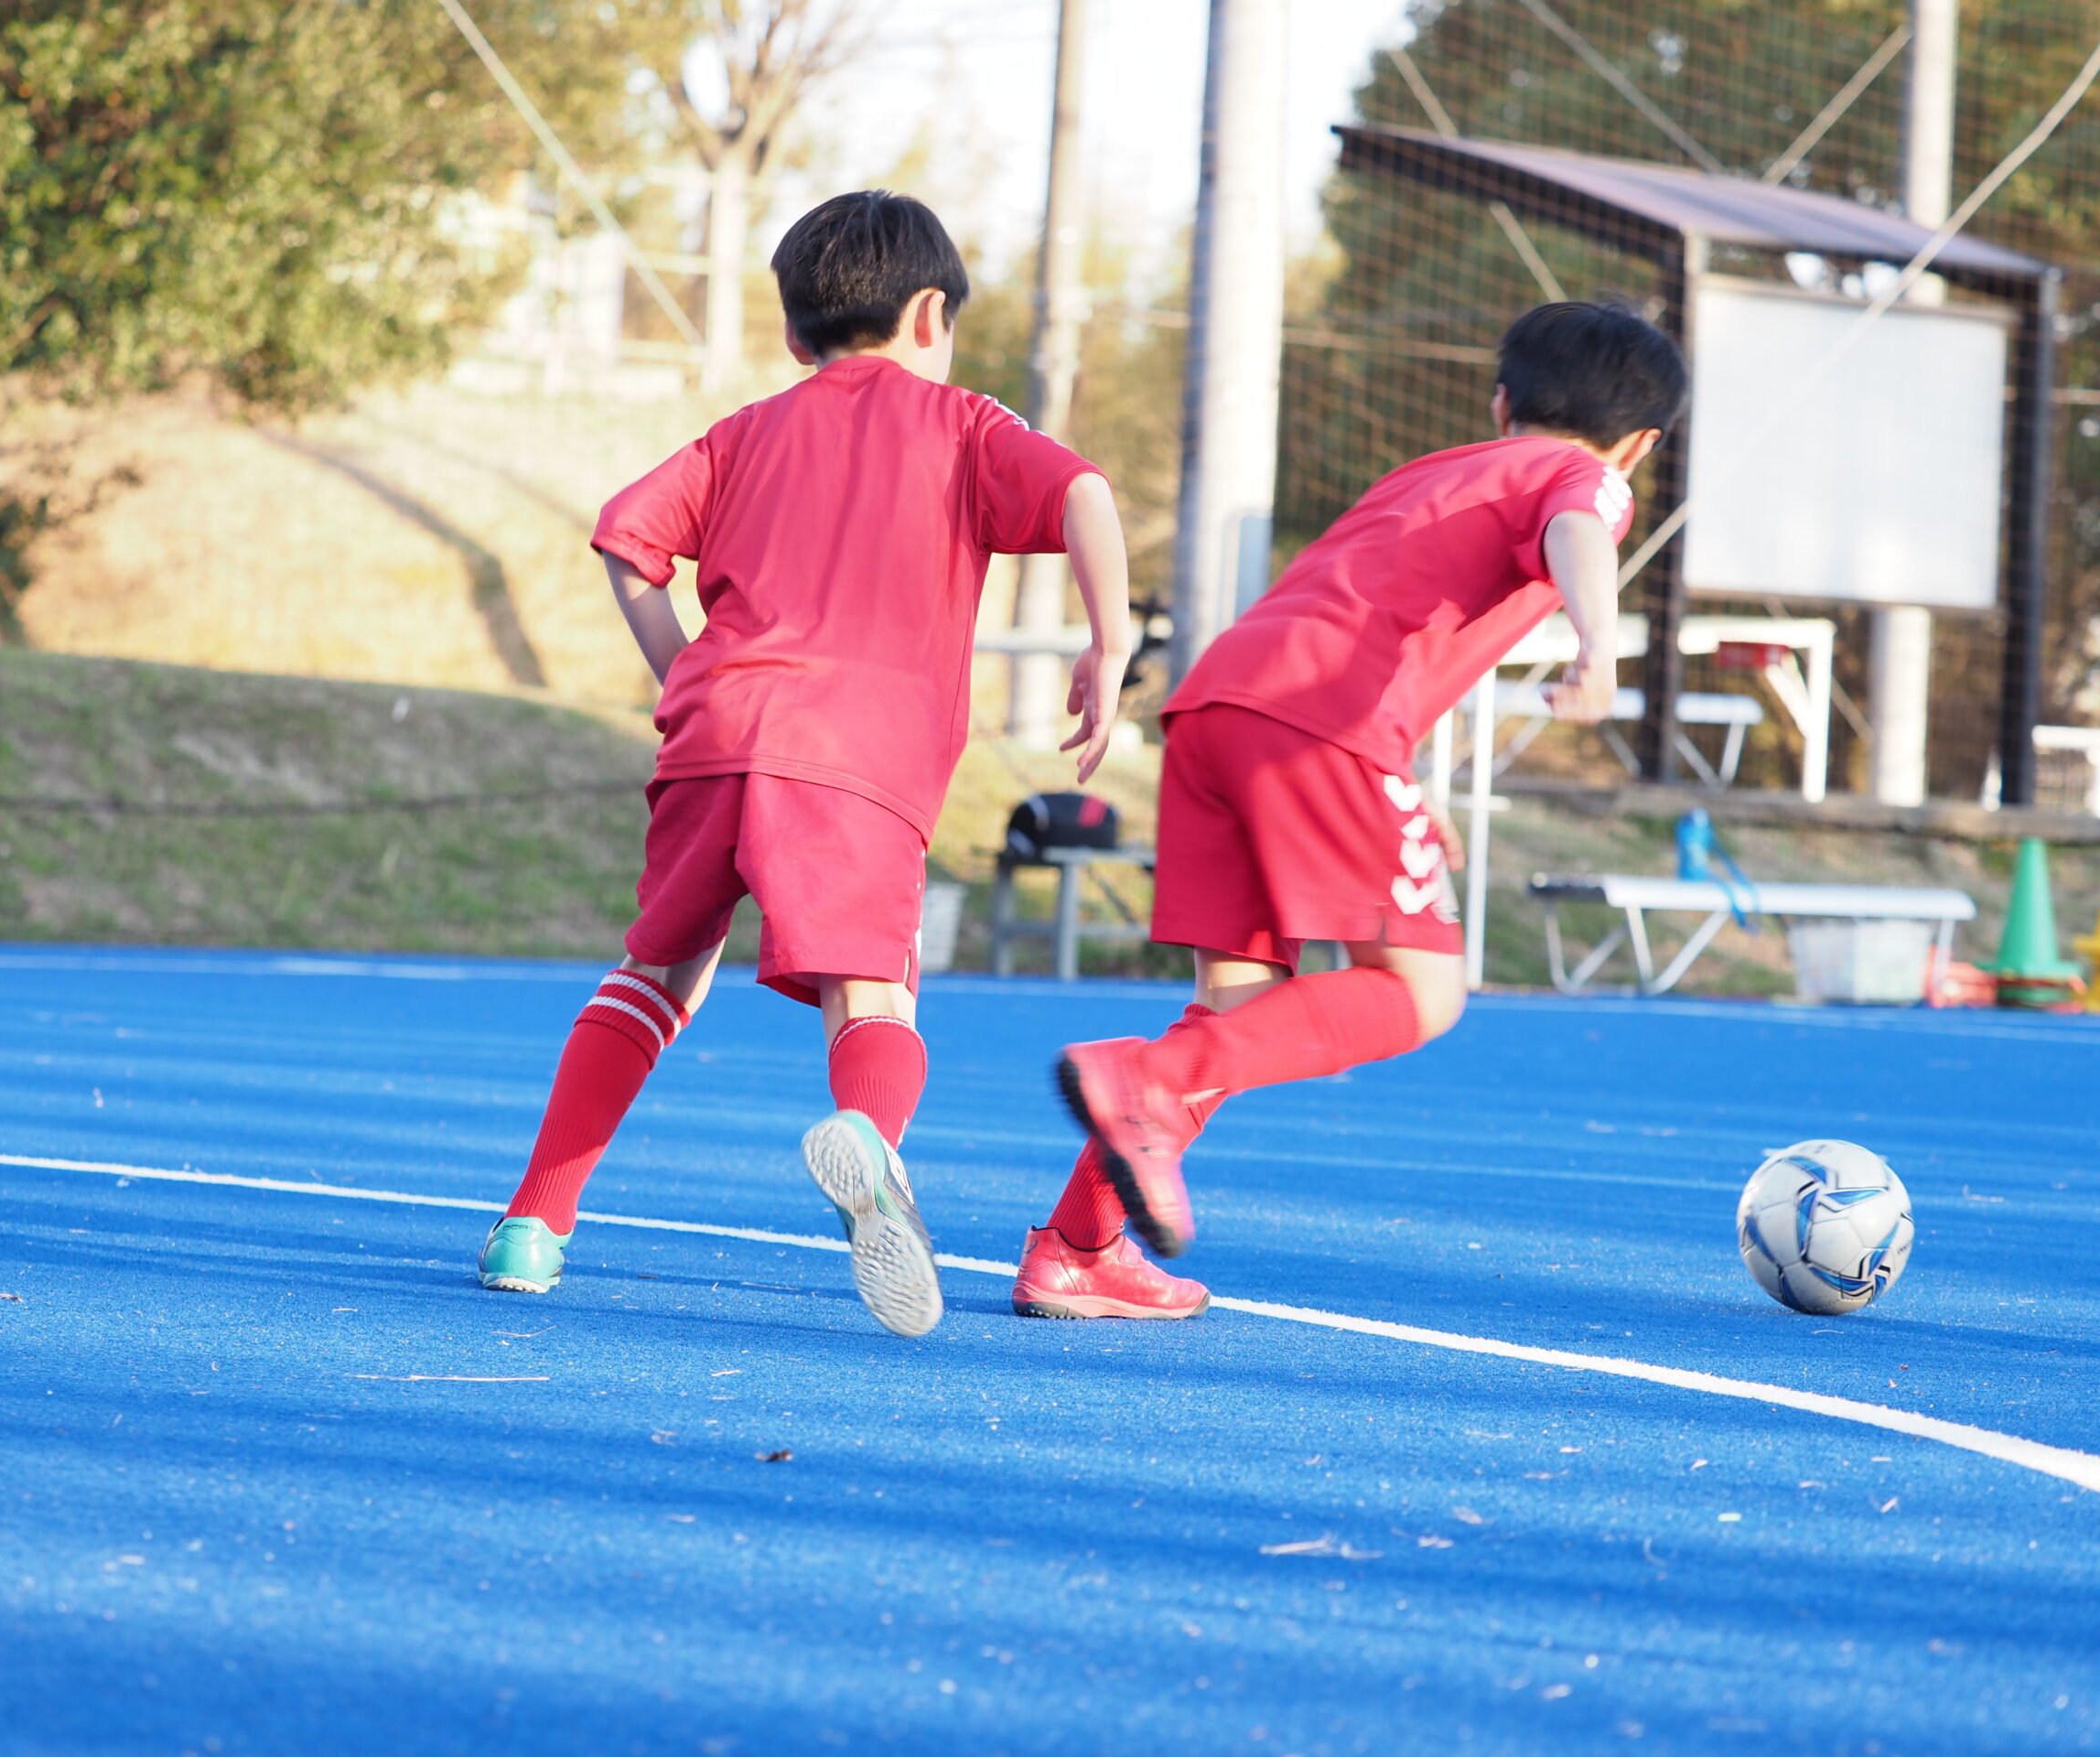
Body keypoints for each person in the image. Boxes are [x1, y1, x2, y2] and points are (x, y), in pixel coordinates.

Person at [479, 190, 1134, 1338]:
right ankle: (871, 1150)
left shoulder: (742, 432)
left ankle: (534, 1224)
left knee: (655, 975)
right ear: (930, 315)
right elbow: (1084, 490)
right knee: (870, 989)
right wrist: (1108, 638)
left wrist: (684, 675)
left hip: (715, 735)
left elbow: (628, 540)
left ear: (794, 334)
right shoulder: (964, 427)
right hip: (852, 756)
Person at [1012, 299, 1686, 1321]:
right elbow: (1581, 524)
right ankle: (1139, 1079)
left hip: (1218, 707)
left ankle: (1077, 1249)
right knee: (1422, 995)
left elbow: (1360, 612)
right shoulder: (1581, 477)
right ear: (1640, 444)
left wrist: (1398, 776)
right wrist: (1599, 643)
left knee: (1241, 1014)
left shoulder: (1429, 472)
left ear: (1500, 401)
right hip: (1317, 726)